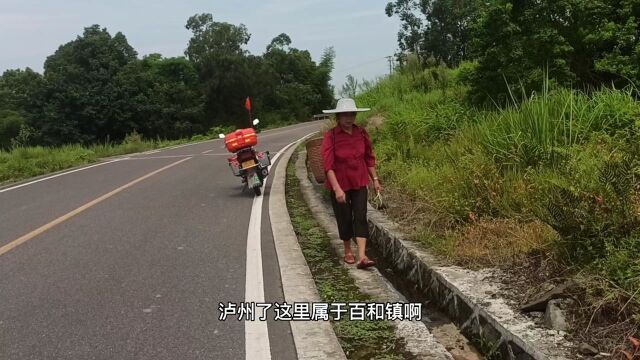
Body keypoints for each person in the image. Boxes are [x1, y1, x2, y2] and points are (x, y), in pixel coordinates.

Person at [321, 98, 382, 269]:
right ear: (338, 117)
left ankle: (362, 255)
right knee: (344, 217)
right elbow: (328, 165)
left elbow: (369, 158)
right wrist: (337, 188)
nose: (349, 118)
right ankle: (348, 249)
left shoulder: (361, 133)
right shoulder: (331, 136)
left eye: (352, 114)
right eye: (345, 115)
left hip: (359, 181)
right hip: (339, 184)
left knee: (361, 216)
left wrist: (375, 180)